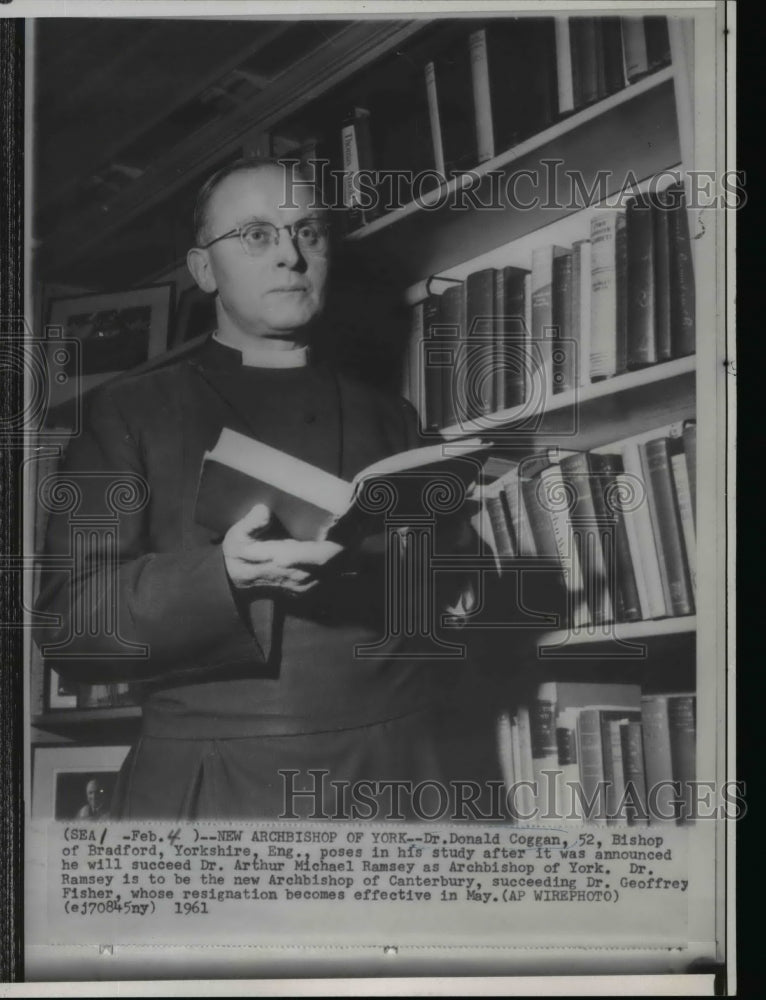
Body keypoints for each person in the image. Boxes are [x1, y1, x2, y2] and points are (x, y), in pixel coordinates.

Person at [38, 158, 502, 820]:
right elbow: (67, 629)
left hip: (399, 767)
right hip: (222, 778)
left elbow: (449, 587)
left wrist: (451, 574)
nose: (290, 254)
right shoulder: (127, 412)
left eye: (307, 231)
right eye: (256, 235)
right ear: (204, 270)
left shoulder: (389, 415)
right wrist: (223, 574)